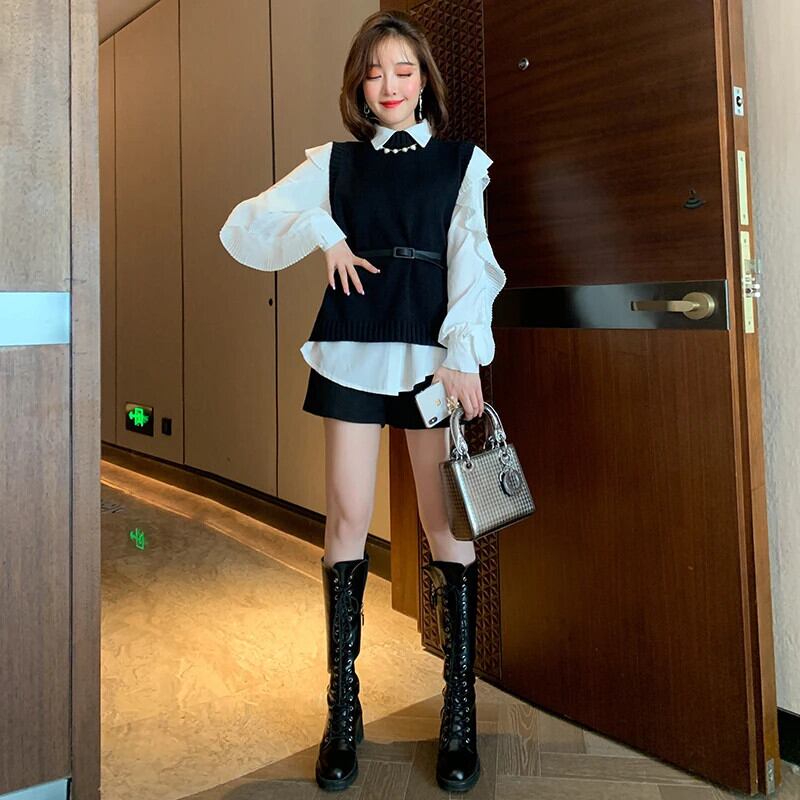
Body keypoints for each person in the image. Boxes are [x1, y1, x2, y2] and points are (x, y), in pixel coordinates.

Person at [219, 9, 506, 793]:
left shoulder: (460, 163)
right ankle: (342, 712)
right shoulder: (334, 164)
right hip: (351, 340)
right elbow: (245, 226)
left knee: (445, 524)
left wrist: (464, 354)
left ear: (423, 81)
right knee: (346, 517)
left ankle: (458, 713)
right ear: (358, 84)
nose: (389, 84)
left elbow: (472, 256)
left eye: (403, 70)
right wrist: (323, 230)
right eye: (375, 72)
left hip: (430, 350)